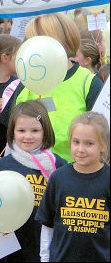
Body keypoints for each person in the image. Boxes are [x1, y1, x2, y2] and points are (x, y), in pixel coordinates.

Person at [0, 12, 104, 163]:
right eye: (28, 41)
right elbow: (9, 133)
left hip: (73, 179)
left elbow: (103, 137)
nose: (28, 46)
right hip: (31, 179)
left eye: (34, 40)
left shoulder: (88, 84)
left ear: (57, 42)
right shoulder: (26, 83)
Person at [0, 100, 67, 261]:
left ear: (45, 131)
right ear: (12, 132)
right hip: (12, 249)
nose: (28, 136)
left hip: (47, 247)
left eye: (35, 130)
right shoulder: (3, 166)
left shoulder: (58, 166)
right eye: (21, 130)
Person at [35, 111, 110, 262]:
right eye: (76, 142)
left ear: (103, 145)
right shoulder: (58, 178)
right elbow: (47, 224)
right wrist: (44, 258)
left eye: (89, 143)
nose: (81, 149)